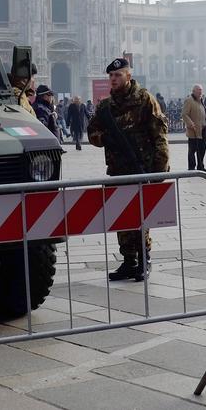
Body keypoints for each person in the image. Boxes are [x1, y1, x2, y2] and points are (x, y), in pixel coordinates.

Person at [87, 58, 168, 282]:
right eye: (111, 76)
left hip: (141, 168)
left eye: (118, 75)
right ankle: (128, 260)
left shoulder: (144, 100)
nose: (113, 79)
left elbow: (159, 135)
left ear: (128, 77)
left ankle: (144, 258)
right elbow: (92, 133)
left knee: (141, 215)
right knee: (121, 216)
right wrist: (105, 138)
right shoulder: (106, 107)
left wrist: (159, 170)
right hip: (117, 170)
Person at [182, 85, 206, 172]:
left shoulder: (201, 100)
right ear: (193, 91)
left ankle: (200, 166)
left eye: (201, 90)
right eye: (198, 90)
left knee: (202, 148)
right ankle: (191, 167)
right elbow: (184, 114)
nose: (200, 92)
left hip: (202, 129)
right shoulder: (189, 100)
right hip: (193, 129)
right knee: (192, 149)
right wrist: (190, 123)